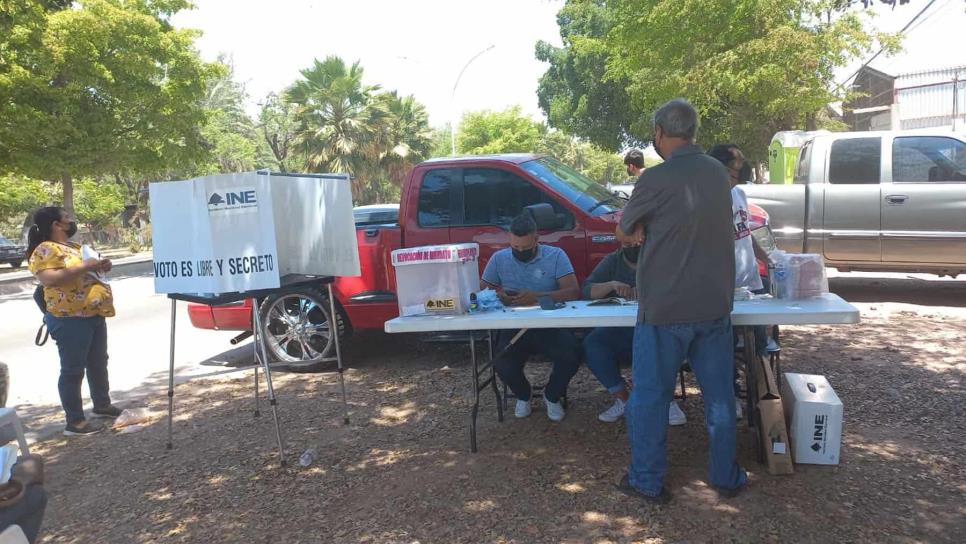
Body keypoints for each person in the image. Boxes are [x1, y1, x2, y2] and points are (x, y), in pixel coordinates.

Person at [615, 99, 747, 503]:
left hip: (665, 308)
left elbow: (624, 230)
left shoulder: (654, 179)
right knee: (720, 397)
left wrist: (637, 232)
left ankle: (646, 481)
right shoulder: (718, 173)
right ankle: (726, 476)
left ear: (658, 133)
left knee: (651, 399)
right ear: (693, 132)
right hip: (714, 304)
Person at [27, 207, 121, 436]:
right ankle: (75, 422)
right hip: (68, 318)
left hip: (93, 313)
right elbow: (50, 279)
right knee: (73, 369)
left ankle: (102, 405)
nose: (71, 220)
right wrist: (85, 266)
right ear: (56, 224)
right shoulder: (45, 249)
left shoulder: (76, 247)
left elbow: (88, 272)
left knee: (98, 361)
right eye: (66, 217)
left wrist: (100, 265)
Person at [481, 214, 581, 422]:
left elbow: (573, 292)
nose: (520, 252)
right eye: (515, 248)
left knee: (572, 355)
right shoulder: (499, 259)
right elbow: (483, 293)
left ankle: (552, 396)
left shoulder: (555, 255)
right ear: (509, 240)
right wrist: (498, 297)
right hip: (514, 326)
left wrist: (537, 297)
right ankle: (523, 395)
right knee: (501, 362)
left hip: (551, 324)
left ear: (537, 239)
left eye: (525, 248)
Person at [581, 243, 688, 426]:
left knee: (663, 343)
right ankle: (624, 400)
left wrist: (652, 293)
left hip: (656, 325)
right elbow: (586, 290)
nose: (632, 246)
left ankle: (666, 401)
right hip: (620, 328)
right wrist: (611, 285)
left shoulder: (663, 258)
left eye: (637, 242)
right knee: (593, 344)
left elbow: (683, 290)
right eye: (628, 242)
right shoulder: (613, 260)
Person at [708, 143, 775, 418]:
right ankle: (731, 395)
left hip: (751, 283)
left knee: (759, 345)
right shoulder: (706, 200)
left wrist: (769, 259)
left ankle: (764, 396)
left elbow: (745, 233)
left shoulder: (739, 193)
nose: (742, 171)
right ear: (720, 169)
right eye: (737, 167)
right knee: (725, 348)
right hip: (724, 290)